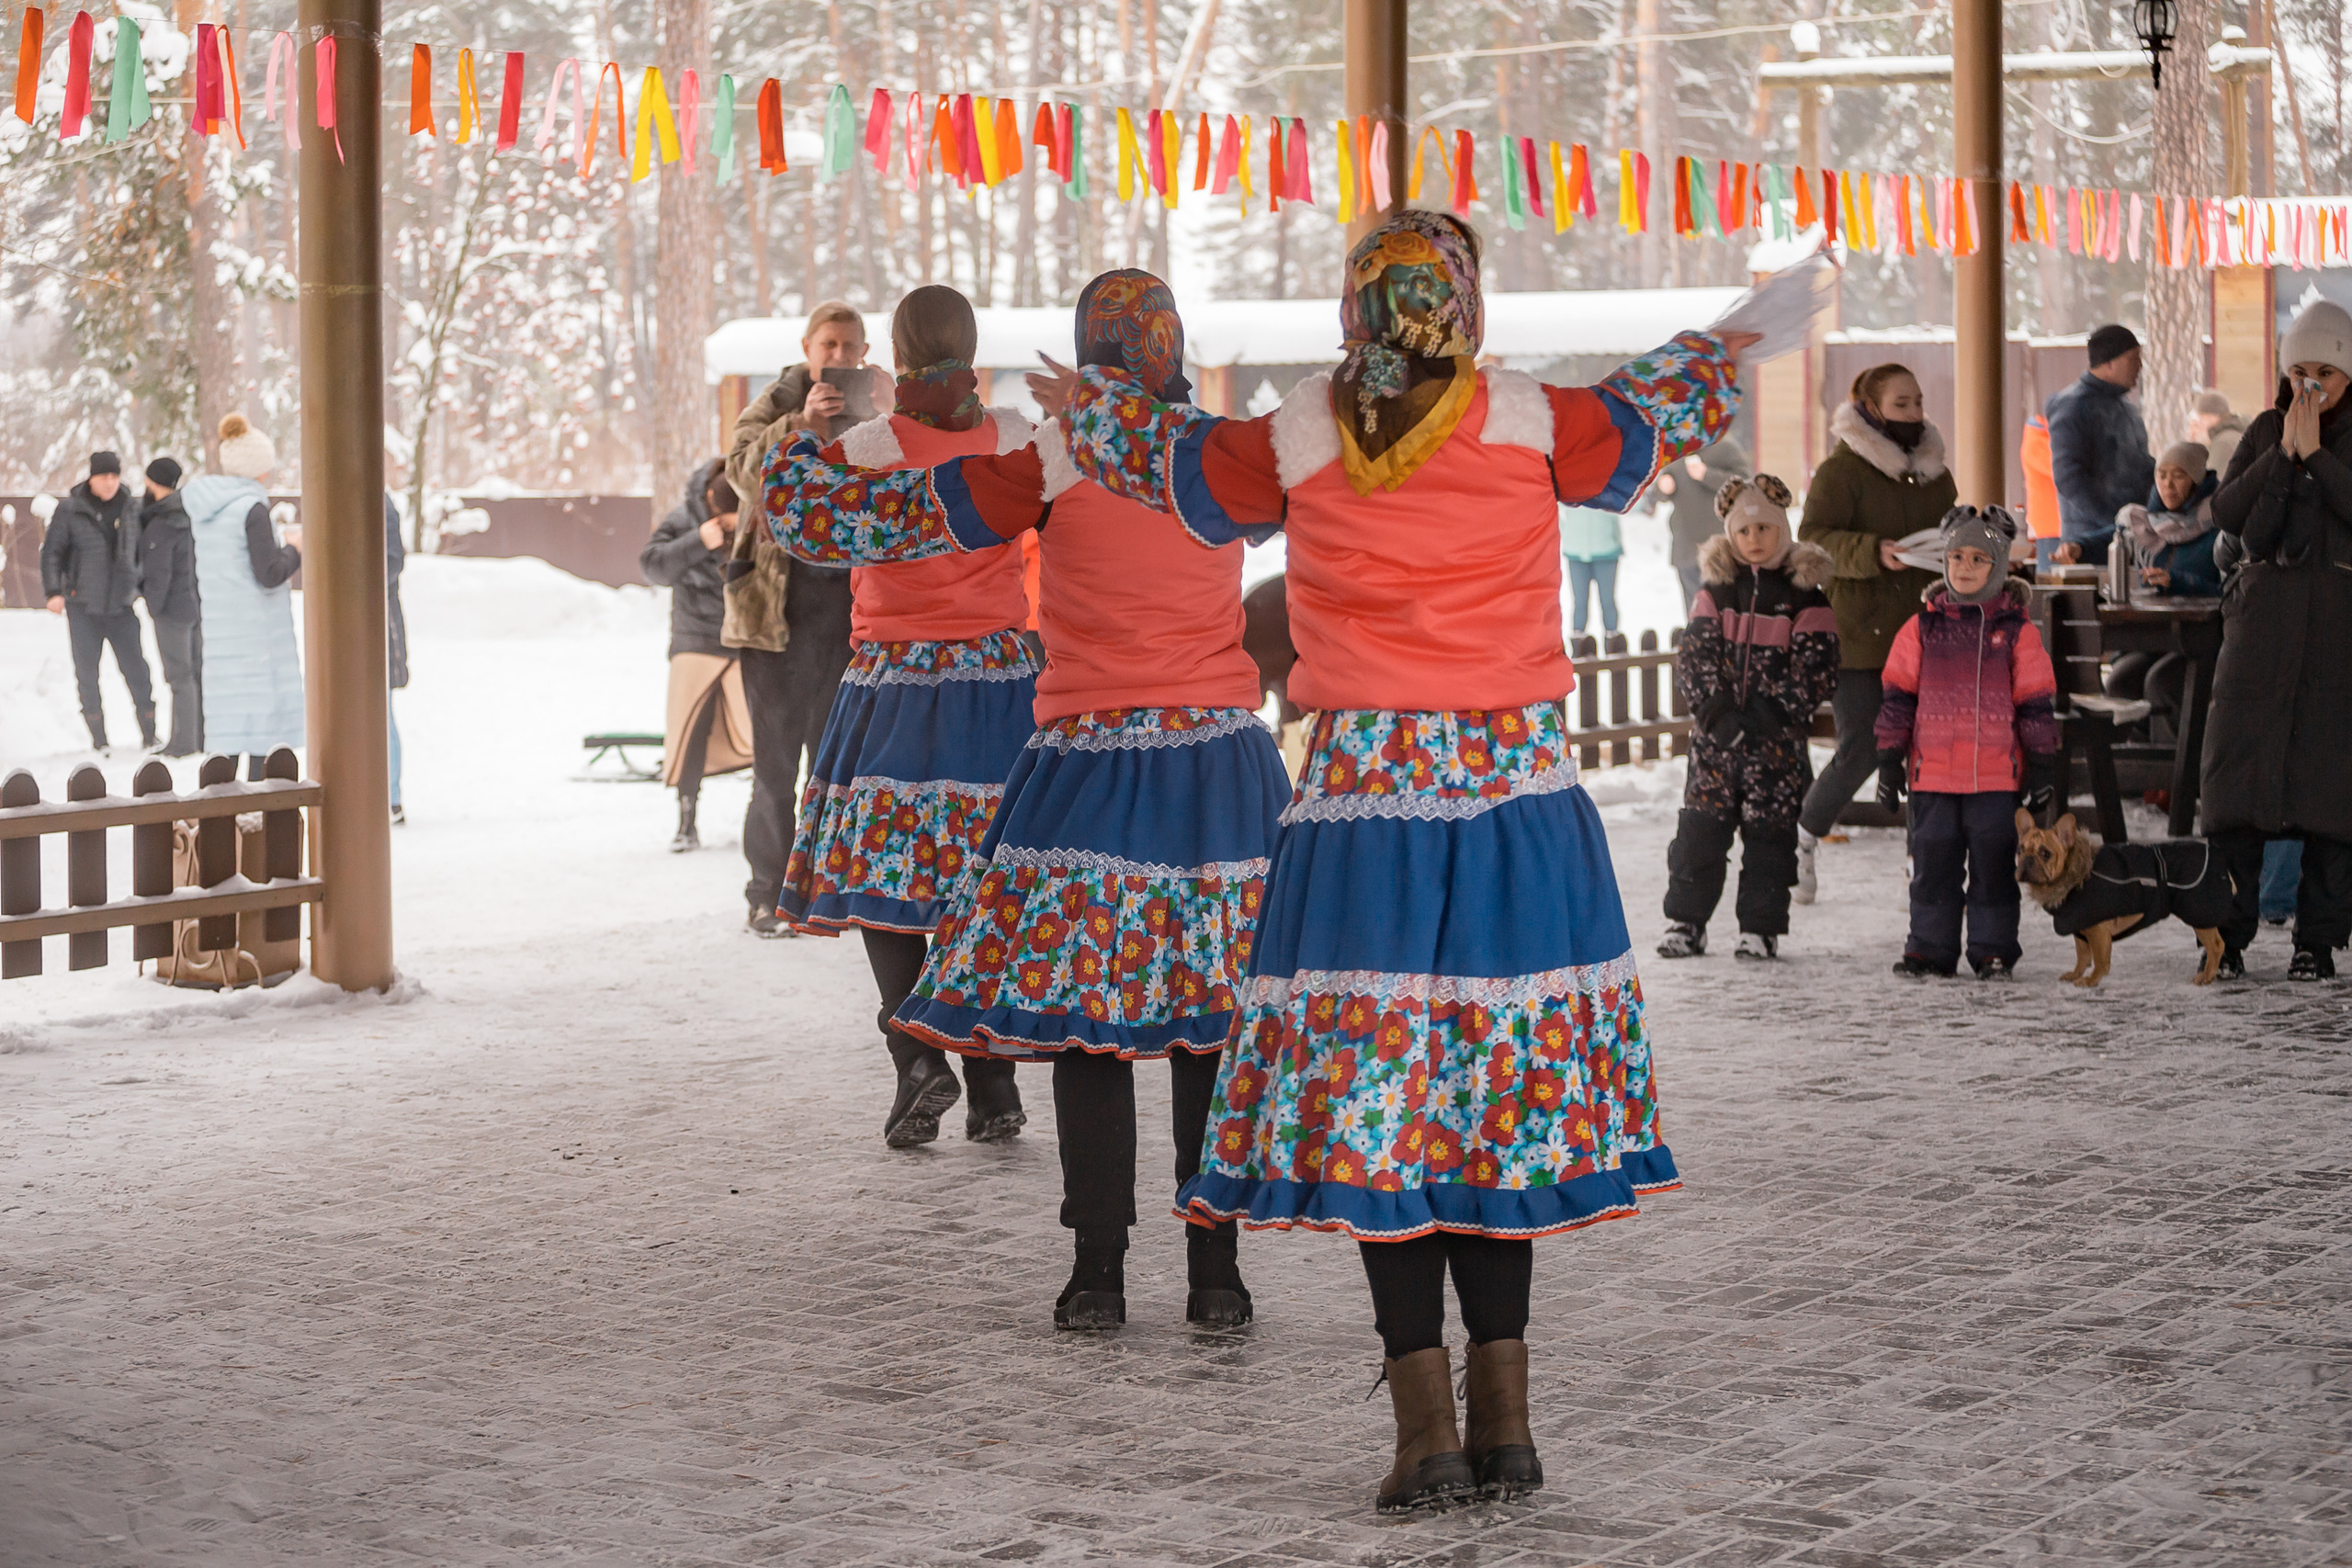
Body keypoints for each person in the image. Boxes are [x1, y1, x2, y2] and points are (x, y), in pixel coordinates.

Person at [1045, 212, 1759, 1516]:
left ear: (1353, 308)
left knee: (1383, 1114)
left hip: (1362, 814)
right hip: (1515, 810)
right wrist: (1728, 337)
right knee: (1496, 1108)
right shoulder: (1535, 418)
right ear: (1466, 306)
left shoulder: (1307, 430)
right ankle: (1512, 1424)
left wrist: (1086, 398)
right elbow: (1653, 408)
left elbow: (1172, 460)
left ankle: (1423, 1427)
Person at [766, 270, 1288, 1336]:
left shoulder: (1055, 455)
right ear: (1169, 346)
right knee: (1213, 1031)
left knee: (1088, 1029)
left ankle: (1096, 1272)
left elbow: (852, 519)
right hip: (1218, 772)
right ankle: (1214, 1274)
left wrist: (800, 443)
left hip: (1084, 767)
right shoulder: (1227, 459)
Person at [771, 284, 1036, 1150]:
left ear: (897, 350)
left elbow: (800, 520)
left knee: (890, 880)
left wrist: (801, 432)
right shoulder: (1015, 437)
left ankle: (915, 1053)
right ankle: (993, 1082)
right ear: (971, 343)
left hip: (894, 681)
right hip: (1000, 683)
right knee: (981, 881)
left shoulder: (870, 446)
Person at [2198, 299, 2352, 982]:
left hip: (2335, 632)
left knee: (2329, 791)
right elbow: (2229, 513)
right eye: (2298, 371)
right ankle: (2226, 938)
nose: (2310, 387)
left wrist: (2320, 456)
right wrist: (2284, 455)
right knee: (2238, 785)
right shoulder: (2264, 428)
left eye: (2326, 372)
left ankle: (2316, 943)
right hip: (2259, 630)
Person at [725, 302, 891, 933]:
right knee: (772, 769)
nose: (841, 359)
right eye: (830, 345)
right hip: (774, 618)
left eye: (852, 347)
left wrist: (883, 412)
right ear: (807, 346)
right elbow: (742, 472)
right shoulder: (779, 401)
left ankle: (821, 889)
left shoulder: (877, 404)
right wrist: (799, 424)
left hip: (848, 620)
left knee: (831, 768)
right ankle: (766, 891)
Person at [1657, 475, 1839, 962]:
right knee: (1699, 836)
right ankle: (1686, 922)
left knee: (1769, 841)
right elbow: (1695, 657)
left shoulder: (1805, 598)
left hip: (1773, 746)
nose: (1754, 541)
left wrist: (1766, 715)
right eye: (1744, 532)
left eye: (1765, 530)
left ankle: (1759, 929)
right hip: (1715, 746)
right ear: (1731, 537)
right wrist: (1715, 714)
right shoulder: (1716, 593)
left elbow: (1816, 669)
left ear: (1783, 532)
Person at [1874, 506, 2058, 980]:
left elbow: (2036, 704)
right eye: (1957, 557)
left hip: (1996, 778)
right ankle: (1929, 949)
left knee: (1995, 866)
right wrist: (1889, 760)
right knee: (1932, 866)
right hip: (1931, 775)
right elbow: (1897, 698)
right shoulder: (1921, 629)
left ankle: (1993, 948)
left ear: (1999, 566)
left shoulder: (2018, 633)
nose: (1966, 568)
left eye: (1979, 559)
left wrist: (2043, 765)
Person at [1794, 365, 1953, 904]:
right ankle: (1804, 837)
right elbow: (1812, 538)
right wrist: (1874, 552)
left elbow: (1952, 533)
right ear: (1870, 408)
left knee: (1928, 751)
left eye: (1917, 402)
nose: (1912, 414)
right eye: (1900, 404)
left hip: (1926, 632)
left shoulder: (1935, 472)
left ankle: (1924, 864)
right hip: (1859, 635)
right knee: (1861, 746)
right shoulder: (1841, 471)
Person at [178, 415, 302, 777]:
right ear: (258, 468)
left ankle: (221, 822)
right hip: (256, 638)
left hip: (221, 632)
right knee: (263, 740)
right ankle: (257, 825)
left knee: (229, 738)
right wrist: (294, 548)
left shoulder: (207, 509)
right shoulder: (252, 509)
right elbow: (269, 573)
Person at [640, 463, 750, 853]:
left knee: (758, 728)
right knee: (692, 730)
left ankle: (761, 821)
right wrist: (696, 542)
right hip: (696, 639)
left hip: (742, 639)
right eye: (725, 520)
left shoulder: (756, 511)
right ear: (709, 502)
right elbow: (652, 567)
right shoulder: (684, 518)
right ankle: (686, 821)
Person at [40, 450, 156, 751]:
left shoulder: (131, 508)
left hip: (121, 604)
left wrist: (140, 584)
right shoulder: (71, 510)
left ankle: (149, 734)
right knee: (87, 675)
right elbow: (52, 551)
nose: (110, 482)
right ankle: (99, 740)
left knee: (137, 670)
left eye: (115, 476)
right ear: (91, 477)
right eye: (104, 476)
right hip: (83, 607)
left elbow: (145, 549)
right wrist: (53, 592)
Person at [2103, 443, 2220, 734]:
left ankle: (2180, 772)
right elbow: (2103, 537)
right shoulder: (2145, 524)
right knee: (2120, 680)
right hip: (2159, 639)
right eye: (2162, 474)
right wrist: (2076, 548)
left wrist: (2177, 582)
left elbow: (2227, 588)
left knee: (2161, 682)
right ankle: (2137, 766)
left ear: (2195, 481)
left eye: (2179, 476)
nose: (2168, 484)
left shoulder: (2218, 525)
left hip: (2204, 641)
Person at [2044, 323, 2154, 568]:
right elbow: (2069, 477)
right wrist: (2112, 522)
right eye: (2133, 358)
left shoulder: (2128, 410)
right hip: (2087, 542)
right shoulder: (2072, 407)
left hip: (2132, 536)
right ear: (2109, 363)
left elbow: (2143, 468)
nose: (2140, 366)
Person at [137, 457, 202, 757]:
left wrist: (153, 605)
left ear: (153, 481)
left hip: (172, 611)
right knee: (193, 675)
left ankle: (183, 744)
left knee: (179, 677)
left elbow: (159, 573)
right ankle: (197, 738)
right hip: (192, 604)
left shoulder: (162, 522)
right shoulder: (187, 512)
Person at [1656, 435, 1746, 612]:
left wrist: (1706, 475)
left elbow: (1744, 485)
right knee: (1694, 610)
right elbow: (1657, 494)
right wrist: (1663, 487)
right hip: (1686, 547)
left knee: (1723, 608)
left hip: (1719, 549)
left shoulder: (1725, 447)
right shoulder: (1674, 451)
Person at [1558, 502, 1622, 636]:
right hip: (1576, 552)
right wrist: (1566, 533)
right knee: (1579, 602)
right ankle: (1578, 642)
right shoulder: (1568, 486)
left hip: (1606, 551)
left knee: (1607, 601)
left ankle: (1613, 641)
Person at [385, 492, 409, 824]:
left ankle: (391, 798)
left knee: (381, 710)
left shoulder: (380, 501)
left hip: (380, 622)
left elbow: (392, 559)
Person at [2193, 388, 2246, 478]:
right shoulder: (2235, 434)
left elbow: (2214, 482)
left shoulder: (2223, 443)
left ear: (2214, 415)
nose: (2200, 422)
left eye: (2202, 417)